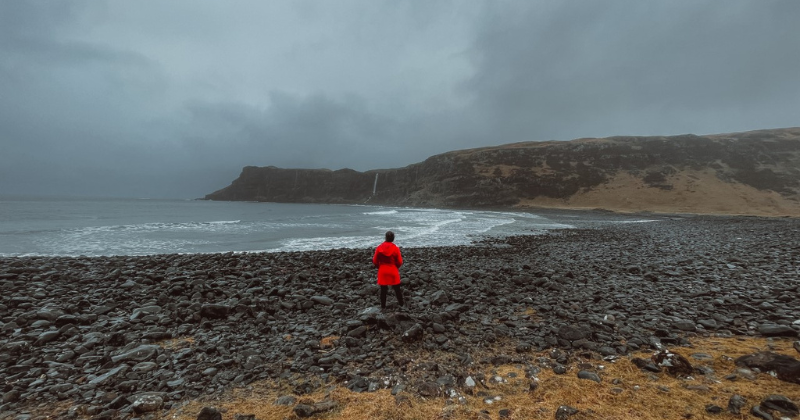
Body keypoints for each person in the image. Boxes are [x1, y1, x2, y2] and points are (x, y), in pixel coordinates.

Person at [372, 230, 404, 310]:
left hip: (383, 270)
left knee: (383, 290)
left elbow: (375, 261)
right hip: (393, 270)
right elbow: (400, 261)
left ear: (385, 237)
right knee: (397, 289)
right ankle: (401, 305)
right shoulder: (395, 248)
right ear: (393, 238)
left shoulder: (379, 247)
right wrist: (396, 267)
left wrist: (379, 267)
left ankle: (383, 306)